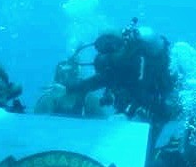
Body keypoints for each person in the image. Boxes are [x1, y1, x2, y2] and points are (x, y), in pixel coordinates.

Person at [45, 20, 181, 136]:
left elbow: (142, 90)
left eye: (112, 44)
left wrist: (128, 113)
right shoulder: (113, 68)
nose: (108, 49)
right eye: (103, 46)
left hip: (158, 108)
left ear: (123, 44)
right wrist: (67, 89)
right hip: (136, 113)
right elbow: (93, 82)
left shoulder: (139, 62)